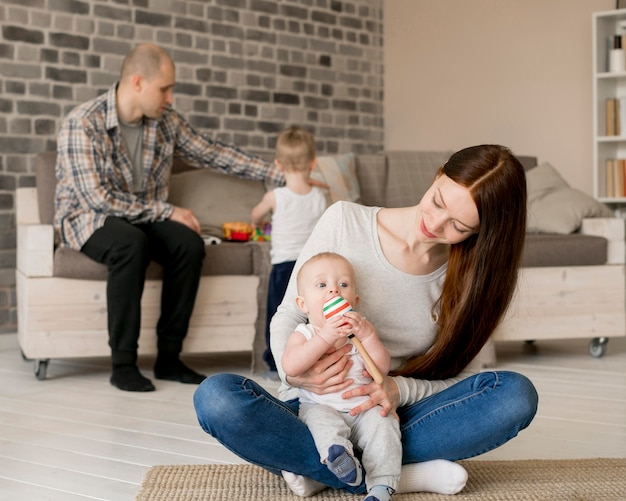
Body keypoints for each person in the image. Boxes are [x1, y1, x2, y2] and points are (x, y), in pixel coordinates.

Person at [193, 144, 539, 497]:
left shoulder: (471, 280)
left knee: (514, 396)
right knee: (217, 399)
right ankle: (395, 476)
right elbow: (289, 314)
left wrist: (396, 389)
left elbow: (465, 378)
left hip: (393, 414)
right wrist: (295, 373)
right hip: (313, 406)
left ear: (480, 233)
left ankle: (323, 468)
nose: (434, 224)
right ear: (437, 175)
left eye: (458, 226)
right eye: (438, 201)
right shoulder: (344, 220)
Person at [54, 43, 286, 392]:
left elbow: (214, 152)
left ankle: (168, 359)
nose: (171, 97)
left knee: (188, 244)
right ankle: (123, 364)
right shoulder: (83, 123)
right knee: (130, 243)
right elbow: (97, 199)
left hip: (144, 215)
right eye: (165, 88)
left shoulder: (166, 122)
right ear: (137, 82)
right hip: (89, 218)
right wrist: (168, 211)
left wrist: (282, 174)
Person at [283, 252, 400, 501]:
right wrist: (324, 336)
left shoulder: (359, 331)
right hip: (320, 406)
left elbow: (381, 369)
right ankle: (345, 466)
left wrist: (368, 337)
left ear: (354, 300)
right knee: (323, 427)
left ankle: (381, 485)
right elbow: (291, 366)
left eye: (343, 285)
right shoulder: (305, 333)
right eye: (322, 285)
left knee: (385, 424)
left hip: (363, 408)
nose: (334, 291)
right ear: (303, 304)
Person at [251, 126, 327, 377]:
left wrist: (258, 223)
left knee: (279, 315)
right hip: (309, 267)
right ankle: (311, 359)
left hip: (283, 265)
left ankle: (275, 364)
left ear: (279, 165)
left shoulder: (275, 196)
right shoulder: (319, 196)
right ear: (313, 163)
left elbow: (256, 214)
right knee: (308, 315)